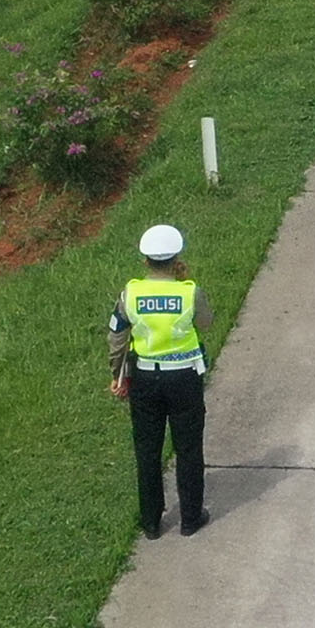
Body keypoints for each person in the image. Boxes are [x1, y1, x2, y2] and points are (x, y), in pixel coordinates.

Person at [110, 222, 214, 538]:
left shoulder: (131, 293)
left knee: (147, 449)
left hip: (144, 379)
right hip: (185, 379)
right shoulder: (189, 292)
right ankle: (190, 518)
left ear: (145, 261)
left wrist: (118, 376)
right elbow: (207, 323)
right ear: (176, 257)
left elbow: (117, 337)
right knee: (189, 448)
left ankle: (152, 523)